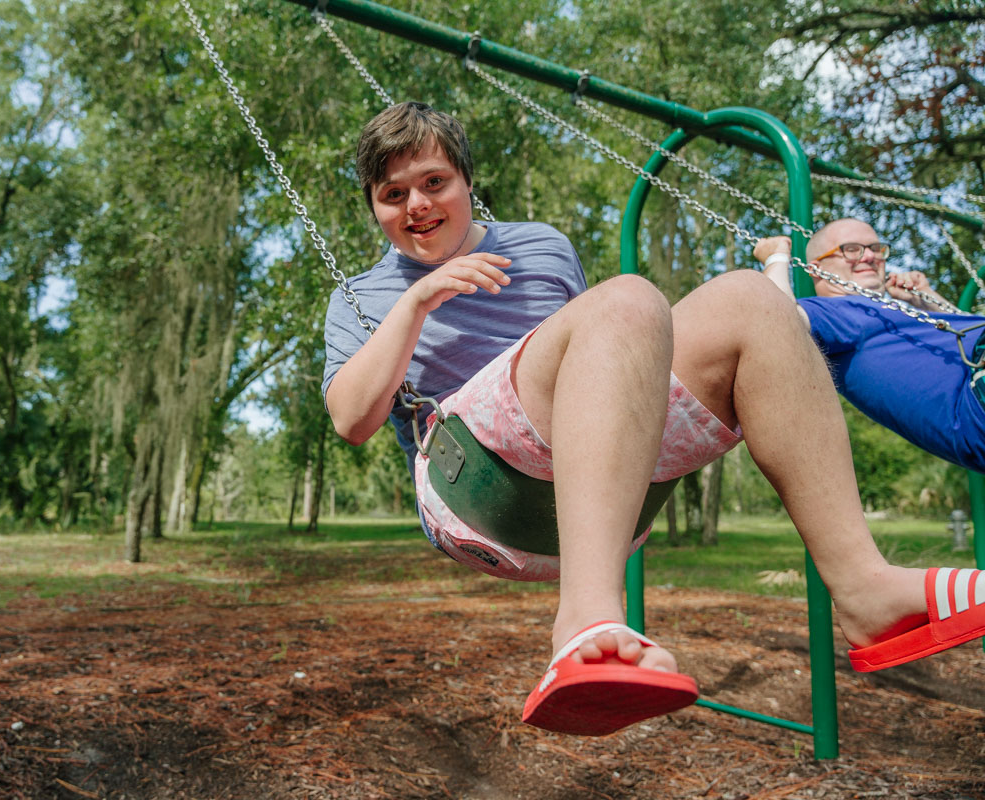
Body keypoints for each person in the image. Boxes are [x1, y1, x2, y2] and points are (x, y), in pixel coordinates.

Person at [323, 102, 985, 737]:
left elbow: (613, 358)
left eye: (434, 182)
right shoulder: (361, 297)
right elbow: (353, 421)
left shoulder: (542, 249)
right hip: (478, 490)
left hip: (596, 492)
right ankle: (585, 621)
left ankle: (867, 592)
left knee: (753, 300)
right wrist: (416, 303)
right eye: (393, 194)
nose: (417, 205)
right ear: (374, 207)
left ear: (468, 181)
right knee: (631, 298)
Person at [754, 219, 985, 472]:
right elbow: (776, 321)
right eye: (851, 249)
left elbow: (967, 334)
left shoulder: (889, 311)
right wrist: (775, 258)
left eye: (875, 248)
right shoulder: (834, 311)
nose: (870, 256)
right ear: (816, 269)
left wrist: (926, 301)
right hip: (974, 409)